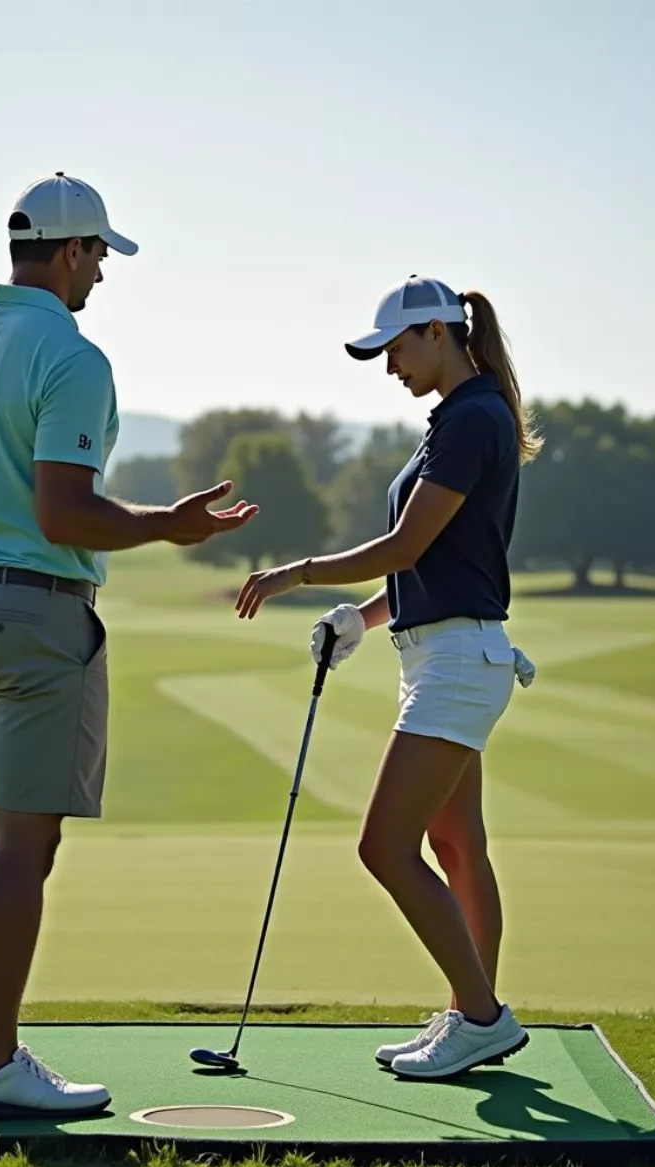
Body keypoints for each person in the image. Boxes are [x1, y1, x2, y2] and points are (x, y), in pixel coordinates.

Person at [0, 173, 257, 1117]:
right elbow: (69, 511)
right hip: (37, 619)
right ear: (68, 252)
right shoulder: (73, 355)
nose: (101, 273)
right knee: (25, 842)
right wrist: (165, 527)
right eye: (98, 254)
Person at [235, 275, 539, 1080]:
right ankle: (467, 1012)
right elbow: (431, 562)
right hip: (447, 653)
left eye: (395, 348)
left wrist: (300, 574)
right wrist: (360, 621)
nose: (389, 365)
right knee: (457, 844)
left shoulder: (471, 420)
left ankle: (480, 1015)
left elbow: (405, 545)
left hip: (458, 663)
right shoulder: (459, 419)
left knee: (385, 846)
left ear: (438, 334)